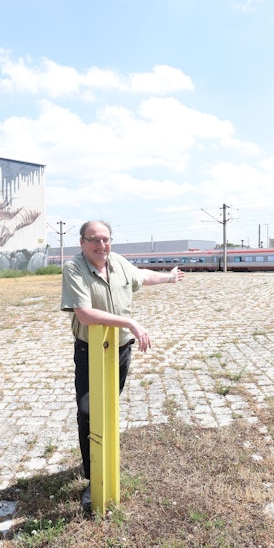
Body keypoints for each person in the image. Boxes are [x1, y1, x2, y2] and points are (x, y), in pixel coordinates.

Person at [60, 220, 185, 513]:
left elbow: (140, 275)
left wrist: (168, 277)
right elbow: (86, 315)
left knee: (109, 408)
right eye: (94, 240)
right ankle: (94, 478)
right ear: (82, 242)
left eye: (105, 239)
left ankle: (104, 460)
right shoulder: (74, 268)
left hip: (120, 350)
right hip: (91, 351)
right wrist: (130, 322)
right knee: (89, 411)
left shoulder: (116, 262)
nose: (101, 245)